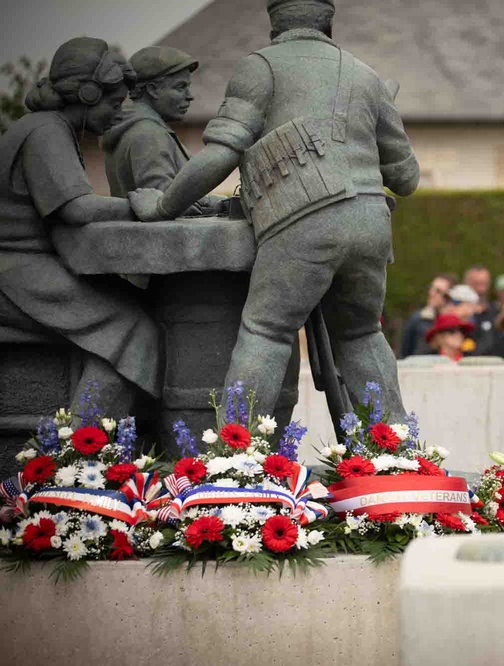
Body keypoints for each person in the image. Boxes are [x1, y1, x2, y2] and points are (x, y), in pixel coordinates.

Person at [129, 0, 420, 419]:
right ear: (329, 23)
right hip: (372, 221)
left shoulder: (259, 67)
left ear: (273, 24)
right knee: (360, 335)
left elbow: (221, 153)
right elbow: (406, 179)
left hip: (304, 218)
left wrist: (162, 205)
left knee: (265, 331)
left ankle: (236, 460)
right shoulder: (365, 74)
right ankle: (396, 454)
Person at [0, 36, 163, 416]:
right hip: (16, 272)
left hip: (28, 266)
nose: (118, 113)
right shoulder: (45, 132)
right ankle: (80, 454)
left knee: (141, 305)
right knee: (135, 330)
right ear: (87, 95)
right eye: (113, 102)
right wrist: (145, 206)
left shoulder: (50, 128)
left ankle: (101, 444)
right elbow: (76, 209)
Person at [102, 46, 225, 216]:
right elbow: (164, 205)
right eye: (180, 87)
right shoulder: (149, 134)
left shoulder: (136, 128)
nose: (190, 96)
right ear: (153, 90)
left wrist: (217, 202)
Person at [400, 272, 454, 358]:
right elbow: (405, 350)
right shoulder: (418, 319)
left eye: (438, 291)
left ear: (448, 296)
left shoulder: (456, 322)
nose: (432, 293)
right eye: (431, 288)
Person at [464, 264, 498, 346]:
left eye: (484, 283)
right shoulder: (458, 314)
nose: (480, 289)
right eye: (476, 283)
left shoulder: (496, 311)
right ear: (466, 283)